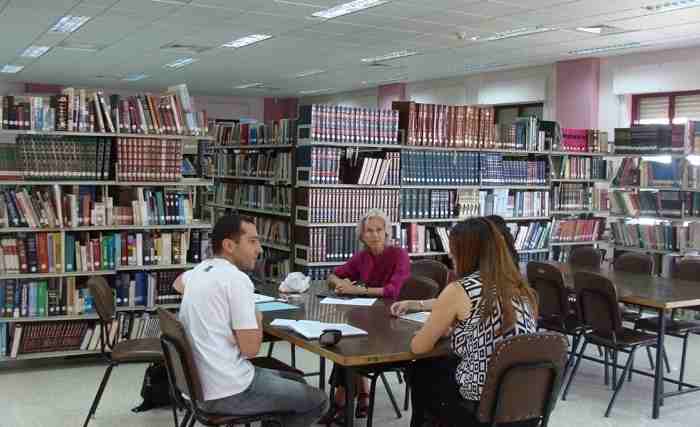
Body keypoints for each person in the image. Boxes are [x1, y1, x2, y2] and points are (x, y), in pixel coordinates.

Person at [173, 214, 328, 427]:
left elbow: (177, 283)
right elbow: (251, 350)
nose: (260, 249)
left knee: (296, 381)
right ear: (229, 245)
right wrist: (256, 316)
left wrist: (213, 312)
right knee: (317, 400)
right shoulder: (237, 280)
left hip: (199, 386)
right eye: (252, 241)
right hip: (227, 391)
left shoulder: (201, 270)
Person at [392, 217, 538, 427]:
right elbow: (494, 330)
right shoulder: (520, 287)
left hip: (480, 405)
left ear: (466, 252)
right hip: (522, 402)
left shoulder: (461, 289)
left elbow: (418, 346)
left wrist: (435, 331)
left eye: (454, 250)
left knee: (422, 369)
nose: (450, 255)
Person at [321, 208, 410, 422]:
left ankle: (341, 401)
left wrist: (356, 290)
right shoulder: (363, 256)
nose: (374, 235)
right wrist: (339, 282)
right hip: (369, 316)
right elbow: (333, 274)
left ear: (387, 232)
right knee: (347, 342)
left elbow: (392, 291)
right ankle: (361, 395)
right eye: (369, 231)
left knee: (351, 344)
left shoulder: (399, 254)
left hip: (393, 322)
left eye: (379, 230)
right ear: (361, 235)